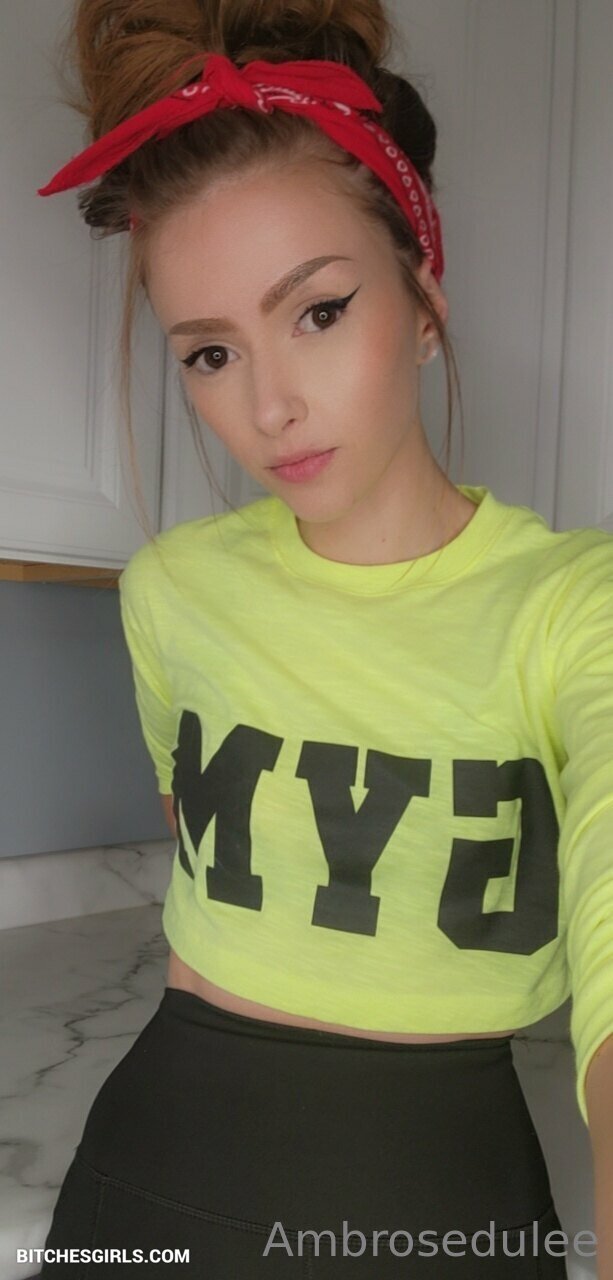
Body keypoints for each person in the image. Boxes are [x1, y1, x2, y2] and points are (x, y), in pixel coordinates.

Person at [36, 1, 613, 1275]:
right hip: (148, 1177)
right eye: (209, 352)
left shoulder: (577, 607)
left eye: (317, 311)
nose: (269, 405)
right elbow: (202, 842)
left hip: (438, 1202)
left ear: (423, 297)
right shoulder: (171, 590)